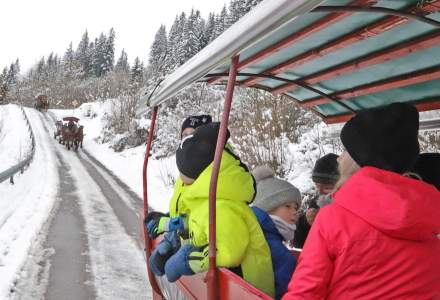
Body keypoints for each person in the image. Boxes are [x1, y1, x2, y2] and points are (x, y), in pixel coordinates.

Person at [283, 103, 440, 299]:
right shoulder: (429, 224)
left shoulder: (333, 218)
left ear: (359, 160)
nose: (339, 159)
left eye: (346, 151)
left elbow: (304, 294)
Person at [155, 122, 275, 297]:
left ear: (199, 174)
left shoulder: (222, 206)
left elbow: (229, 251)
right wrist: (173, 236)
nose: (179, 179)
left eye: (183, 173)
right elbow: (199, 227)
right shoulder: (203, 200)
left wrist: (187, 261)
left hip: (246, 290)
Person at [145, 114, 212, 238]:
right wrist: (168, 217)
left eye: (192, 135)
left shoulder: (206, 170)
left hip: (196, 238)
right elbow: (184, 207)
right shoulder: (186, 170)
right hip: (179, 235)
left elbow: (203, 214)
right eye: (185, 135)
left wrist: (171, 223)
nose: (187, 140)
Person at [251, 165, 301, 300]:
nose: (295, 212)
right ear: (268, 208)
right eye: (288, 206)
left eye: (296, 207)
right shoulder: (279, 252)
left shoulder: (252, 236)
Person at [293, 154, 339, 248]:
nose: (320, 191)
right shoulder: (317, 203)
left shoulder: (353, 204)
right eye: (317, 186)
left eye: (327, 187)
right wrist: (305, 223)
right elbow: (298, 244)